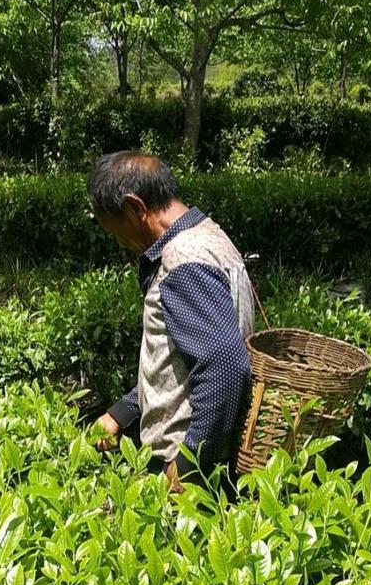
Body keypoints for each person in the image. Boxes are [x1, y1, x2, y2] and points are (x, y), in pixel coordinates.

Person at [89, 151, 254, 492]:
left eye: (116, 231)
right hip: (204, 458)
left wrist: (187, 465)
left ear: (135, 208)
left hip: (185, 466)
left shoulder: (184, 261)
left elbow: (223, 367)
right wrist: (122, 412)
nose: (120, 243)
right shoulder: (209, 237)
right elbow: (181, 363)